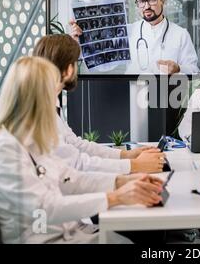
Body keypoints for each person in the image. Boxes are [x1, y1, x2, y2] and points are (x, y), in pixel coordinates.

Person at [0, 56, 164, 243]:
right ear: (36, 98)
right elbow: (44, 208)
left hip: (69, 233)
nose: (55, 103)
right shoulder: (1, 148)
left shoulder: (31, 138)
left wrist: (122, 181)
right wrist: (116, 197)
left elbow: (70, 178)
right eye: (52, 94)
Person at [33, 35, 165, 174]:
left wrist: (126, 156)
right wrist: (134, 166)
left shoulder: (49, 100)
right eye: (76, 62)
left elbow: (76, 145)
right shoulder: (40, 111)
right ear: (69, 69)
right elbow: (75, 164)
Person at [71, 0, 199, 74]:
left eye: (152, 0)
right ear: (138, 5)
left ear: (163, 1)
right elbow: (104, 63)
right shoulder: (127, 31)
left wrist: (178, 68)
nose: (147, 6)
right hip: (133, 92)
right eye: (141, 2)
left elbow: (194, 70)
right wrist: (80, 41)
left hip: (167, 95)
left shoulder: (181, 34)